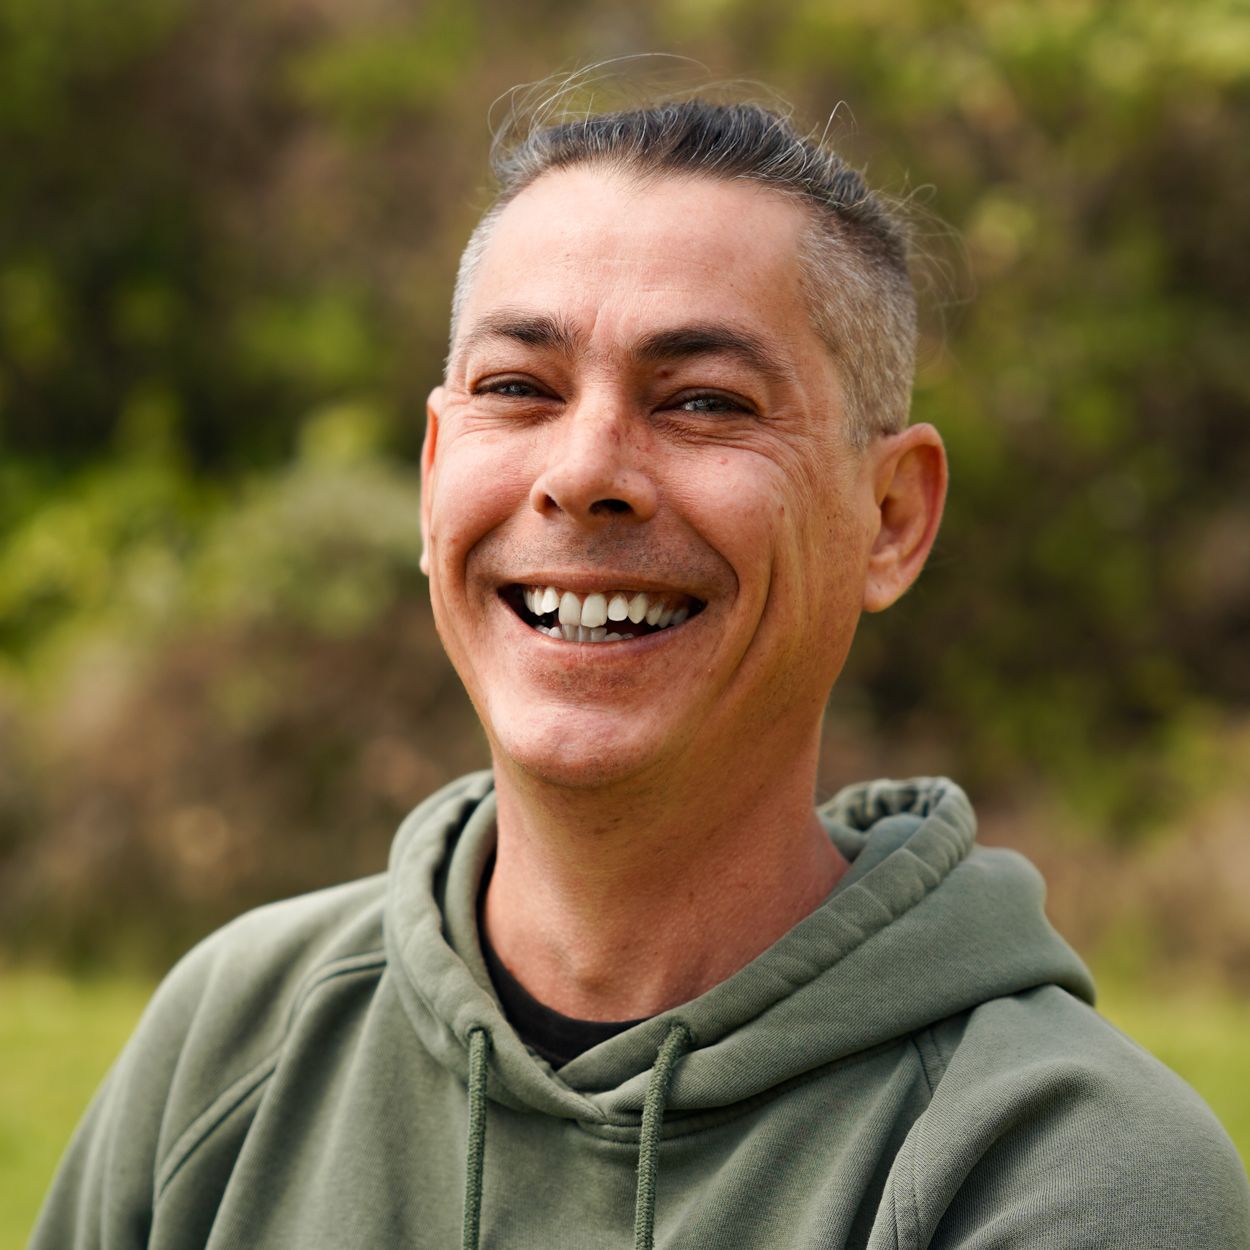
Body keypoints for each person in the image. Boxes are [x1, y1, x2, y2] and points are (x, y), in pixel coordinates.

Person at [31, 96, 1249, 1250]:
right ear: (434, 470)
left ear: (888, 518)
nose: (583, 469)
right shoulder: (232, 1039)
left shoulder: (1064, 1168)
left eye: (704, 400)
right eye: (518, 388)